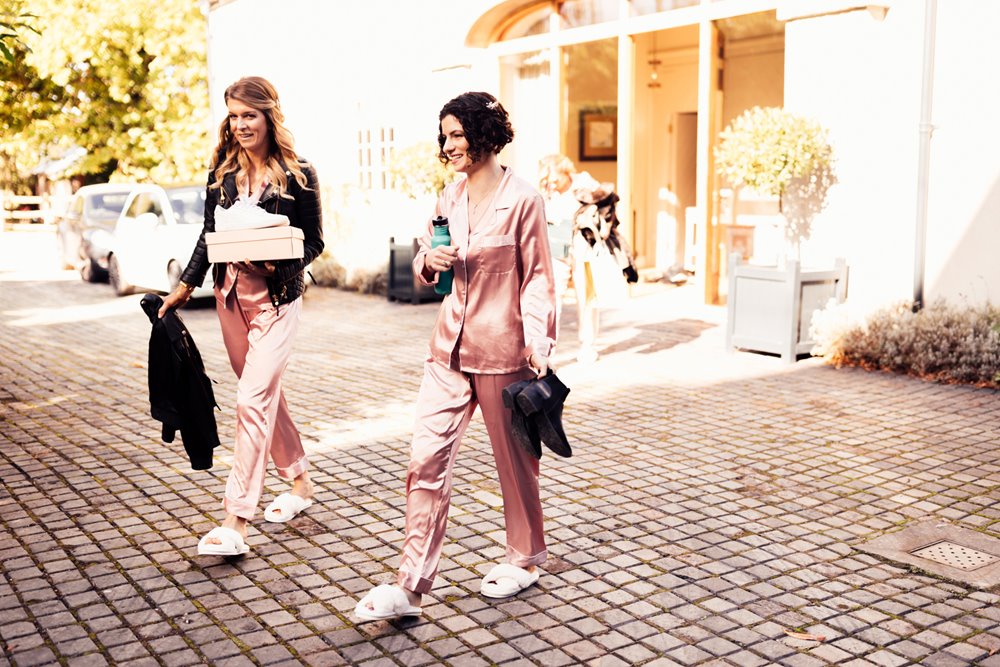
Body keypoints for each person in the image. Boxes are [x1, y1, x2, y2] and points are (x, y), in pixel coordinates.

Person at [355, 92, 557, 621]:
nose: (447, 146)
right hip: (447, 349)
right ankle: (412, 586)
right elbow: (428, 263)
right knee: (425, 460)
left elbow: (537, 279)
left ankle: (525, 558)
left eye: (456, 135)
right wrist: (429, 260)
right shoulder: (448, 197)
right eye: (443, 137)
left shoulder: (525, 201)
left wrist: (539, 340)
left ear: (484, 134)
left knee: (515, 464)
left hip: (503, 348)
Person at [157, 76, 324, 556]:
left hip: (276, 300)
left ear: (269, 115)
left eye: (249, 114)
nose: (241, 124)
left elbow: (314, 241)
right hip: (230, 299)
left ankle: (236, 521)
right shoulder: (223, 173)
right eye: (234, 115)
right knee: (265, 396)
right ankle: (299, 483)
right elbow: (207, 236)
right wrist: (185, 286)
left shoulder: (300, 173)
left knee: (251, 400)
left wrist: (279, 264)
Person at [538, 155, 634, 363]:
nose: (551, 182)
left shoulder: (584, 183)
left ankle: (587, 346)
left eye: (554, 177)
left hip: (583, 249)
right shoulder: (546, 190)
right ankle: (547, 353)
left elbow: (607, 205)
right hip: (556, 249)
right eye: (547, 179)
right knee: (552, 300)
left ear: (565, 171)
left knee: (586, 298)